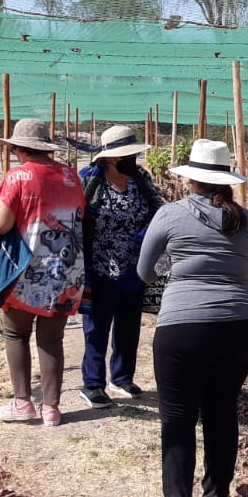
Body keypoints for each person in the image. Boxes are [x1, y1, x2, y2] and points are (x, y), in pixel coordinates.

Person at [134, 139, 248, 497]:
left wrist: (177, 269)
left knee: (177, 414)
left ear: (191, 179)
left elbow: (144, 271)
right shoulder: (246, 219)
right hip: (242, 323)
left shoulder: (170, 215)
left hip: (184, 325)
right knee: (222, 407)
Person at [0, 119, 86, 426]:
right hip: (66, 271)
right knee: (52, 338)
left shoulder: (18, 176)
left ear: (19, 149)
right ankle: (52, 409)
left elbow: (1, 224)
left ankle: (23, 403)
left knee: (15, 333)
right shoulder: (71, 175)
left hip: (26, 271)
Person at [76, 125, 161, 408]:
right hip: (98, 268)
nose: (133, 160)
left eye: (134, 155)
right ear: (110, 158)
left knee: (128, 325)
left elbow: (157, 211)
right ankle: (93, 384)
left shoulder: (140, 179)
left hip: (133, 267)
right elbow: (75, 219)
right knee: (96, 326)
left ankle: (122, 377)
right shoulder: (90, 181)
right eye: (128, 155)